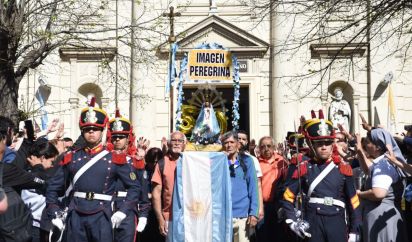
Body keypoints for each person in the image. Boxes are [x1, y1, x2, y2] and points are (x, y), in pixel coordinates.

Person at [45, 98, 141, 242]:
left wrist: (123, 211)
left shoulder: (114, 158)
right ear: (82, 132)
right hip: (75, 215)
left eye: (95, 129)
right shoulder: (71, 157)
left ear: (102, 131)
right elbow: (53, 187)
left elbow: (134, 187)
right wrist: (54, 211)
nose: (91, 132)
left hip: (102, 215)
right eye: (87, 129)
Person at [281, 110, 361, 242]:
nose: (324, 147)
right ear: (311, 145)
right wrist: (293, 222)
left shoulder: (343, 169)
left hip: (337, 223)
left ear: (332, 144)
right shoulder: (304, 168)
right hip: (313, 223)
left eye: (327, 143)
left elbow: (353, 201)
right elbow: (287, 197)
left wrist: (354, 230)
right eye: (319, 143)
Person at [356, 128, 408, 242]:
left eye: (368, 142)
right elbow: (369, 170)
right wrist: (359, 151)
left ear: (378, 147)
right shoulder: (384, 163)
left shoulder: (383, 165)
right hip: (385, 216)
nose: (365, 144)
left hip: (382, 219)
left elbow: (378, 193)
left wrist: (360, 194)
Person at [107, 109, 150, 242]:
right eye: (115, 137)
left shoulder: (134, 161)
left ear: (128, 139)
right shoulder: (104, 160)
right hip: (105, 207)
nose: (117, 140)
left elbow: (142, 189)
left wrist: (143, 213)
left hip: (128, 209)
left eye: (121, 137)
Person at [221, 131, 258, 242]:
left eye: (232, 142)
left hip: (242, 216)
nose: (229, 145)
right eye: (226, 142)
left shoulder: (247, 161)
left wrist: (254, 213)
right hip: (223, 216)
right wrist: (220, 160)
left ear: (238, 143)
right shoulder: (218, 162)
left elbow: (253, 187)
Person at [151, 131, 186, 241]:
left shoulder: (191, 161)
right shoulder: (162, 163)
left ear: (185, 143)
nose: (176, 143)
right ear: (169, 144)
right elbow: (156, 194)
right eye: (173, 140)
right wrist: (160, 219)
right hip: (169, 217)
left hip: (190, 217)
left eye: (179, 140)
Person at [256, 135, 288, 242]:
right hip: (262, 206)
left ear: (273, 147)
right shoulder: (256, 163)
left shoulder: (282, 161)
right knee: (263, 235)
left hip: (278, 205)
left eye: (269, 146)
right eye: (263, 146)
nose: (266, 149)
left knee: (278, 236)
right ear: (259, 148)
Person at [237, 130, 264, 223]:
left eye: (243, 139)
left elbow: (258, 184)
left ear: (247, 142)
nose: (240, 141)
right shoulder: (225, 158)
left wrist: (259, 209)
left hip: (246, 210)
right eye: (238, 138)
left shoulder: (252, 160)